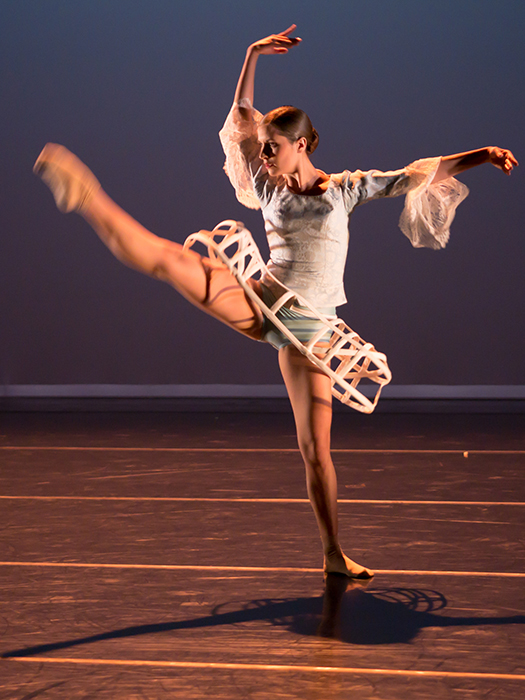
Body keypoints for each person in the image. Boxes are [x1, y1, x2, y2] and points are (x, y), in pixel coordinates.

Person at [33, 25, 517, 579]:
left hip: (312, 333)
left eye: (273, 148)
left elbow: (416, 174)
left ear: (302, 145)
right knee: (170, 260)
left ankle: (333, 553)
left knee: (316, 453)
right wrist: (251, 55)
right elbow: (242, 116)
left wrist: (482, 155)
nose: (262, 157)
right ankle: (86, 195)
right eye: (262, 148)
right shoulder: (267, 186)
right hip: (262, 300)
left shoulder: (345, 189)